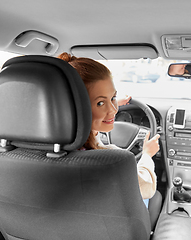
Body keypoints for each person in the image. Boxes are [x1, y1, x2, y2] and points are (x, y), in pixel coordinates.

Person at [57, 53, 160, 206]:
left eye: (113, 97)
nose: (113, 110)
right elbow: (147, 187)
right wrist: (147, 155)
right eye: (100, 103)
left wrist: (103, 103)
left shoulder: (36, 150)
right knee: (157, 198)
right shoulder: (113, 160)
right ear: (76, 107)